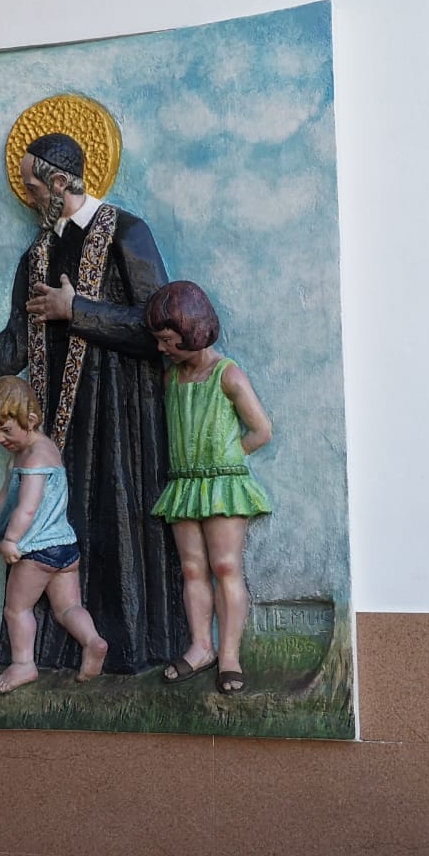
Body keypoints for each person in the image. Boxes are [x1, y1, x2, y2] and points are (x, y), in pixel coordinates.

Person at [0, 132, 185, 674]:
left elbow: (157, 326)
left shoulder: (127, 232)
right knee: (58, 524)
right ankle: (54, 650)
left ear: (60, 182)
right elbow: (20, 333)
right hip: (58, 419)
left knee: (116, 521)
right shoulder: (37, 254)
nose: (29, 195)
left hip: (119, 414)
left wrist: (76, 309)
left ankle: (128, 645)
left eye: (34, 186)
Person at [146, 281, 273, 695]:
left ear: (193, 331)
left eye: (168, 340)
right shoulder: (172, 378)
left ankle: (229, 655)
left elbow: (261, 430)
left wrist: (226, 458)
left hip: (222, 485)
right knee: (192, 569)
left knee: (225, 566)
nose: (162, 348)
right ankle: (201, 646)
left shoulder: (227, 375)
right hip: (186, 485)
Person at [0, 376, 108, 693]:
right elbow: (7, 493)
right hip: (65, 548)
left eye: (6, 430)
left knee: (17, 609)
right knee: (67, 608)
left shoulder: (34, 458)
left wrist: (10, 540)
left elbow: (27, 507)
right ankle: (93, 641)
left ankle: (23, 665)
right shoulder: (34, 451)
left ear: (30, 420)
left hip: (37, 551)